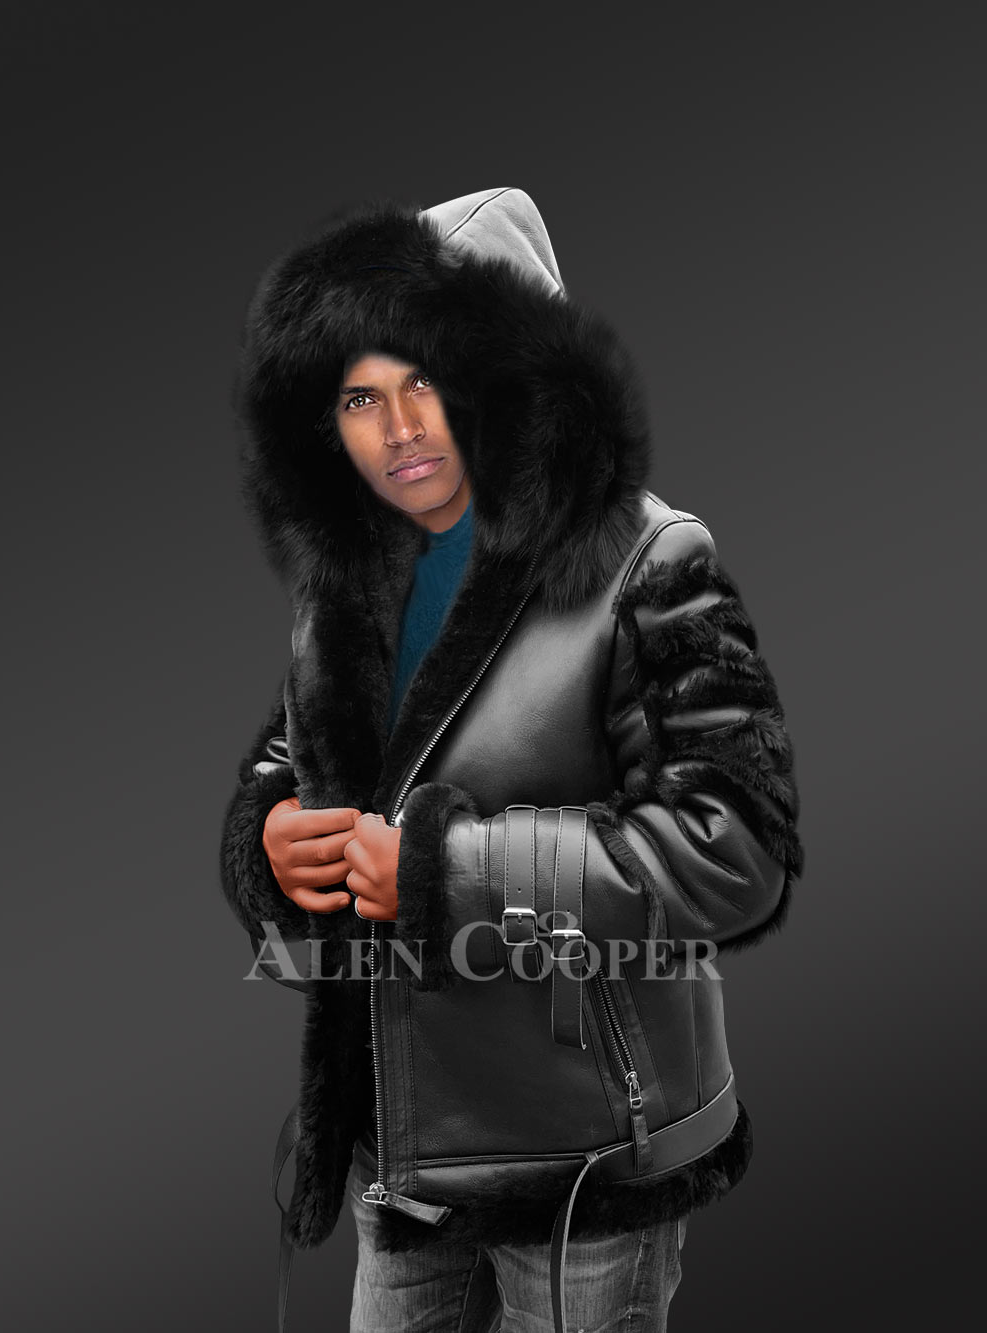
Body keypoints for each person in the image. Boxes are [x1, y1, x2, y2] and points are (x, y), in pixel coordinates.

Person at [219, 186, 804, 1333]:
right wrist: (273, 839)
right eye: (359, 394)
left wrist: (445, 873)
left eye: (428, 381)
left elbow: (735, 846)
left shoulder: (649, 561)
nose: (396, 428)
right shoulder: (351, 576)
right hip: (405, 1158)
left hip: (588, 1164)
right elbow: (290, 760)